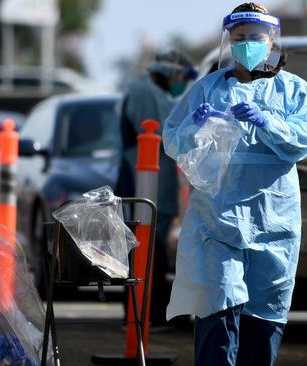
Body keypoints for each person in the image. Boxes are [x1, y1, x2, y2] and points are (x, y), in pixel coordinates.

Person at [162, 3, 307, 365]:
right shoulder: (207, 89)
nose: (246, 44)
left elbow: (306, 138)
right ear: (229, 41)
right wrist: (194, 126)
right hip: (218, 220)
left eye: (255, 37)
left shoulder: (294, 91)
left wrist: (268, 122)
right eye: (239, 38)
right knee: (218, 303)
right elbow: (173, 139)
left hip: (273, 221)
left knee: (265, 312)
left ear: (271, 42)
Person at [118, 49, 197, 326]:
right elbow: (159, 134)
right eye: (182, 76)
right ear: (169, 72)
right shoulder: (144, 92)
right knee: (143, 247)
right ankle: (143, 315)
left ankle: (152, 314)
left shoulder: (157, 94)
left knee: (154, 247)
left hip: (158, 186)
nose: (182, 82)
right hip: (142, 180)